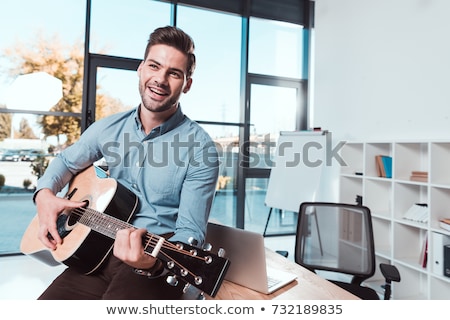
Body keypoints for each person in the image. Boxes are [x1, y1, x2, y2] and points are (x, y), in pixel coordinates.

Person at [33, 26, 219, 299]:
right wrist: (45, 195)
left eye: (174, 73)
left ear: (187, 84)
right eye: (154, 66)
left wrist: (153, 264)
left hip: (152, 259)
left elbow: (189, 233)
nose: (160, 79)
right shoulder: (107, 128)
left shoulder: (201, 148)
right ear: (141, 70)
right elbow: (65, 162)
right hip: (95, 247)